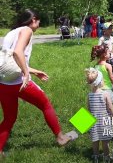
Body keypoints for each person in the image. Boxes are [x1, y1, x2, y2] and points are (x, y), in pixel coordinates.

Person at [0, 9, 77, 158]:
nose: (39, 24)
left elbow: (11, 61)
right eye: (39, 21)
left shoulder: (12, 32)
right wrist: (27, 73)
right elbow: (17, 53)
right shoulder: (27, 30)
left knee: (9, 117)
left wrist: (34, 71)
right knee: (45, 105)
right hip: (18, 81)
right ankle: (61, 138)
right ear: (33, 19)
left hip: (3, 81)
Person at [84, 68, 113, 163]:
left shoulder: (89, 95)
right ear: (100, 81)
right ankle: (106, 157)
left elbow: (89, 109)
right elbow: (110, 108)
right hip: (104, 122)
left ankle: (95, 157)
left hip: (94, 123)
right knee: (105, 142)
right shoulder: (105, 94)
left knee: (95, 141)